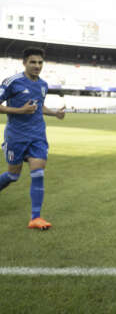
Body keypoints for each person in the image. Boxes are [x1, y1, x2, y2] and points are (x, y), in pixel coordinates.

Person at [0, 48, 65, 230]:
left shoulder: (43, 85)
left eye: (40, 63)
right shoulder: (13, 82)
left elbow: (39, 106)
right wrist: (19, 111)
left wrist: (55, 113)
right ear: (24, 63)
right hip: (16, 136)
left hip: (37, 136)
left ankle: (35, 218)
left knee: (38, 172)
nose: (37, 66)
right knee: (13, 175)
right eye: (33, 62)